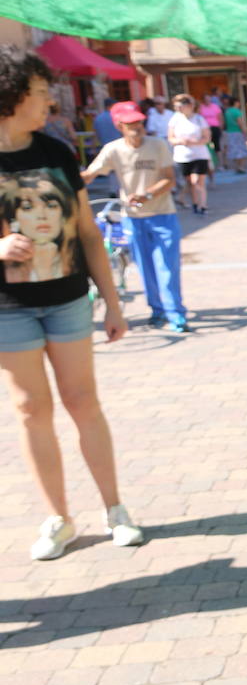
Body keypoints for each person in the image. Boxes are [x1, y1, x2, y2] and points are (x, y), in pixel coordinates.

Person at [0, 46, 144, 559]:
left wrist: (114, 301)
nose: (49, 106)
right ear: (12, 96)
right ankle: (59, 518)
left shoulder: (56, 151)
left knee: (83, 403)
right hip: (8, 308)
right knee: (30, 410)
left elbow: (87, 232)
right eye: (40, 95)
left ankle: (115, 509)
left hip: (66, 301)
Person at [82, 101, 188, 332]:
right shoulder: (113, 149)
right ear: (119, 125)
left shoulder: (157, 145)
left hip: (162, 214)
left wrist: (147, 194)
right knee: (144, 268)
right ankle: (157, 311)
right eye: (130, 123)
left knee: (167, 267)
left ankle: (176, 313)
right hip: (132, 217)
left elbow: (169, 179)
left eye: (139, 121)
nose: (137, 126)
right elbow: (90, 174)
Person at [167, 93, 211, 215]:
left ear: (189, 106)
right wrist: (180, 141)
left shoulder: (199, 119)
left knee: (197, 180)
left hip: (199, 154)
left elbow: (207, 138)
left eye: (180, 106)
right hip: (182, 156)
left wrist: (194, 142)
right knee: (190, 182)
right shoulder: (174, 119)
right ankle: (195, 203)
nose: (178, 109)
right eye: (176, 107)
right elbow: (170, 138)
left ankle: (203, 205)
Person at [220, 95, 247, 173]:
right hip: (237, 132)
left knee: (233, 149)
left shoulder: (227, 111)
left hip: (229, 132)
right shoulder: (237, 111)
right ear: (236, 102)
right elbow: (240, 123)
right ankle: (241, 166)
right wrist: (244, 132)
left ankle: (237, 166)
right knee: (241, 149)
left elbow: (223, 122)